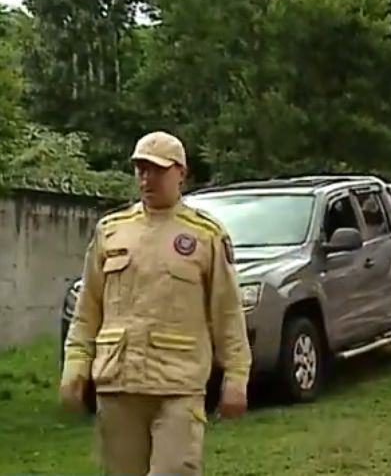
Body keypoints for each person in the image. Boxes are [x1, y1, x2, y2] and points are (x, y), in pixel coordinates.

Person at [59, 131, 252, 475]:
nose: (147, 179)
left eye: (157, 170)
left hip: (178, 386)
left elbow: (226, 312)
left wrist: (236, 376)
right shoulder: (112, 231)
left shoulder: (205, 235)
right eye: (140, 170)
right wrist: (75, 364)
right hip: (118, 384)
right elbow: (88, 308)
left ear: (181, 173)